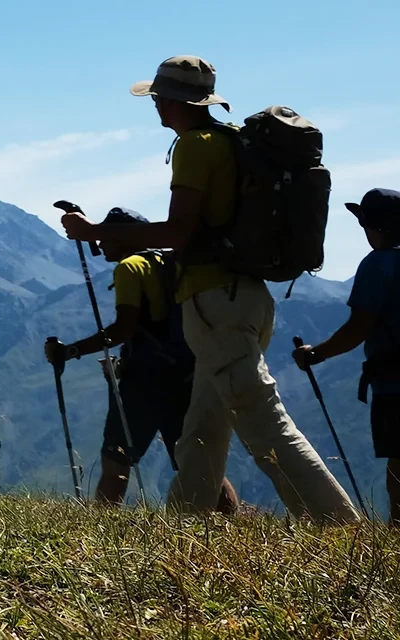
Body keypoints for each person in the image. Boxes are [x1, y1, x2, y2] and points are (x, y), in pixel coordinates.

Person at [60, 55, 358, 522]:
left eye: (158, 96)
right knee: (203, 426)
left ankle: (340, 529)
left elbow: (179, 233)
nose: (155, 104)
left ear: (172, 99)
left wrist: (95, 230)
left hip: (215, 300)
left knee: (265, 423)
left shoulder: (195, 146)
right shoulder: (230, 141)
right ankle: (185, 527)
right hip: (248, 297)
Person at [46, 208, 238, 511]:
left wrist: (70, 351)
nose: (101, 244)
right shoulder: (172, 263)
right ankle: (231, 526)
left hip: (144, 382)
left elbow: (123, 329)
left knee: (116, 463)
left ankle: (101, 533)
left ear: (122, 237)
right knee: (199, 466)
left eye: (107, 237)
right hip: (187, 377)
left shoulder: (129, 268)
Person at [293, 188, 400, 525]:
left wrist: (315, 354)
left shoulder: (377, 265)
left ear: (375, 227)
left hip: (395, 384)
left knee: (399, 465)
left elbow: (358, 328)